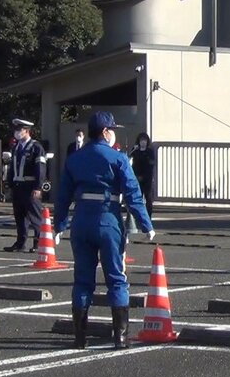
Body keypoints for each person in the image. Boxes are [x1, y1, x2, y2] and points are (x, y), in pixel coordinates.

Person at [54, 112, 155, 350]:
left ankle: (79, 338)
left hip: (81, 221)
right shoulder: (117, 158)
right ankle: (120, 337)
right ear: (105, 131)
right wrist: (146, 224)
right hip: (108, 219)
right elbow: (133, 193)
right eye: (112, 129)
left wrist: (59, 225)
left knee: (82, 280)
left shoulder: (75, 159)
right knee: (117, 280)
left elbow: (62, 197)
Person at [4, 119, 46, 253]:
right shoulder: (16, 147)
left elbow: (40, 168)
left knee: (35, 216)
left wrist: (38, 187)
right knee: (20, 216)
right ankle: (20, 242)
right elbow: (12, 168)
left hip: (30, 186)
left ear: (26, 131)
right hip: (18, 186)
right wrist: (9, 185)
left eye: (19, 130)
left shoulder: (36, 147)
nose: (16, 132)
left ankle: (38, 242)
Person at [130, 132, 156, 217]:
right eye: (141, 140)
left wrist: (146, 176)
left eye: (144, 140)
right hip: (137, 177)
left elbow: (151, 165)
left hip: (147, 179)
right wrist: (133, 149)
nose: (143, 142)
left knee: (148, 198)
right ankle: (139, 216)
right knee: (138, 198)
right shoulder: (135, 151)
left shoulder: (150, 152)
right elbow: (129, 159)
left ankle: (148, 216)